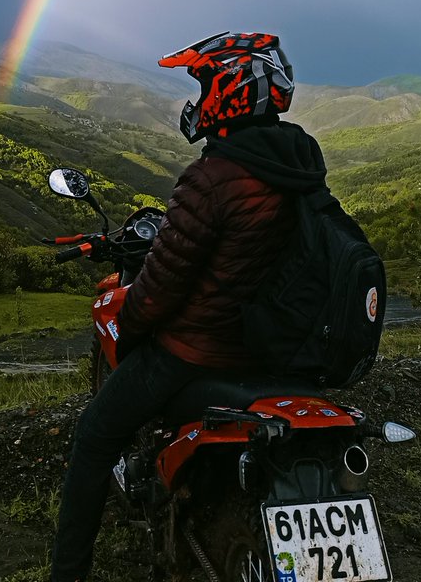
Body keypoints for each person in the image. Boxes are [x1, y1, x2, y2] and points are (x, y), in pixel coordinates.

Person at [49, 31, 329, 582]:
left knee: (94, 437)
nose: (198, 99)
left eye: (204, 84)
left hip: (200, 351)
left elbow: (158, 291)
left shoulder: (212, 177)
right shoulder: (300, 165)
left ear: (231, 90)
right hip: (273, 344)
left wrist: (129, 328)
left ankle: (67, 574)